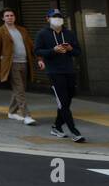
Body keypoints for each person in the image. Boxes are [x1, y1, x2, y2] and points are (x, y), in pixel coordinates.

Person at [34, 8, 85, 142]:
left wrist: (70, 49)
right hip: (54, 72)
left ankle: (56, 127)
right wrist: (53, 50)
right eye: (54, 17)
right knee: (63, 102)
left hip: (69, 70)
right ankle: (74, 132)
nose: (57, 19)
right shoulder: (42, 34)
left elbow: (78, 52)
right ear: (48, 19)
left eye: (59, 17)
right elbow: (37, 50)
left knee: (68, 100)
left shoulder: (69, 33)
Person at [0, 8, 37, 126]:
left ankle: (12, 112)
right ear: (3, 18)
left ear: (15, 17)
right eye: (7, 16)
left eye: (11, 15)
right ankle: (27, 115)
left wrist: (40, 58)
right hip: (11, 64)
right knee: (20, 89)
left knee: (20, 89)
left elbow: (31, 46)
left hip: (24, 62)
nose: (9, 17)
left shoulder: (22, 30)